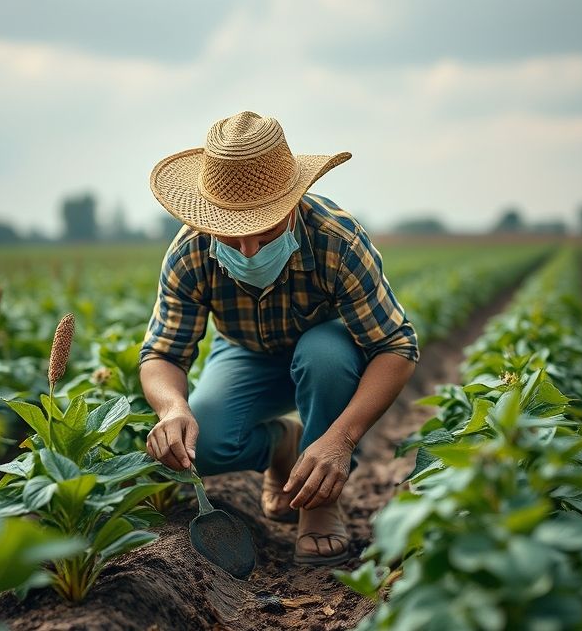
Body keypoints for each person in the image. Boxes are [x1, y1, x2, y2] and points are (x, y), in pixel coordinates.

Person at [139, 110, 419, 566]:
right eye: (232, 235)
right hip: (245, 351)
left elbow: (397, 346)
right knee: (203, 443)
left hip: (329, 358)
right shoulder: (190, 252)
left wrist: (341, 439)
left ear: (292, 205)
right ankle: (286, 445)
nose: (249, 250)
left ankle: (321, 503)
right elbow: (161, 353)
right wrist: (172, 408)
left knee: (322, 355)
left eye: (265, 231)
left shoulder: (337, 240)